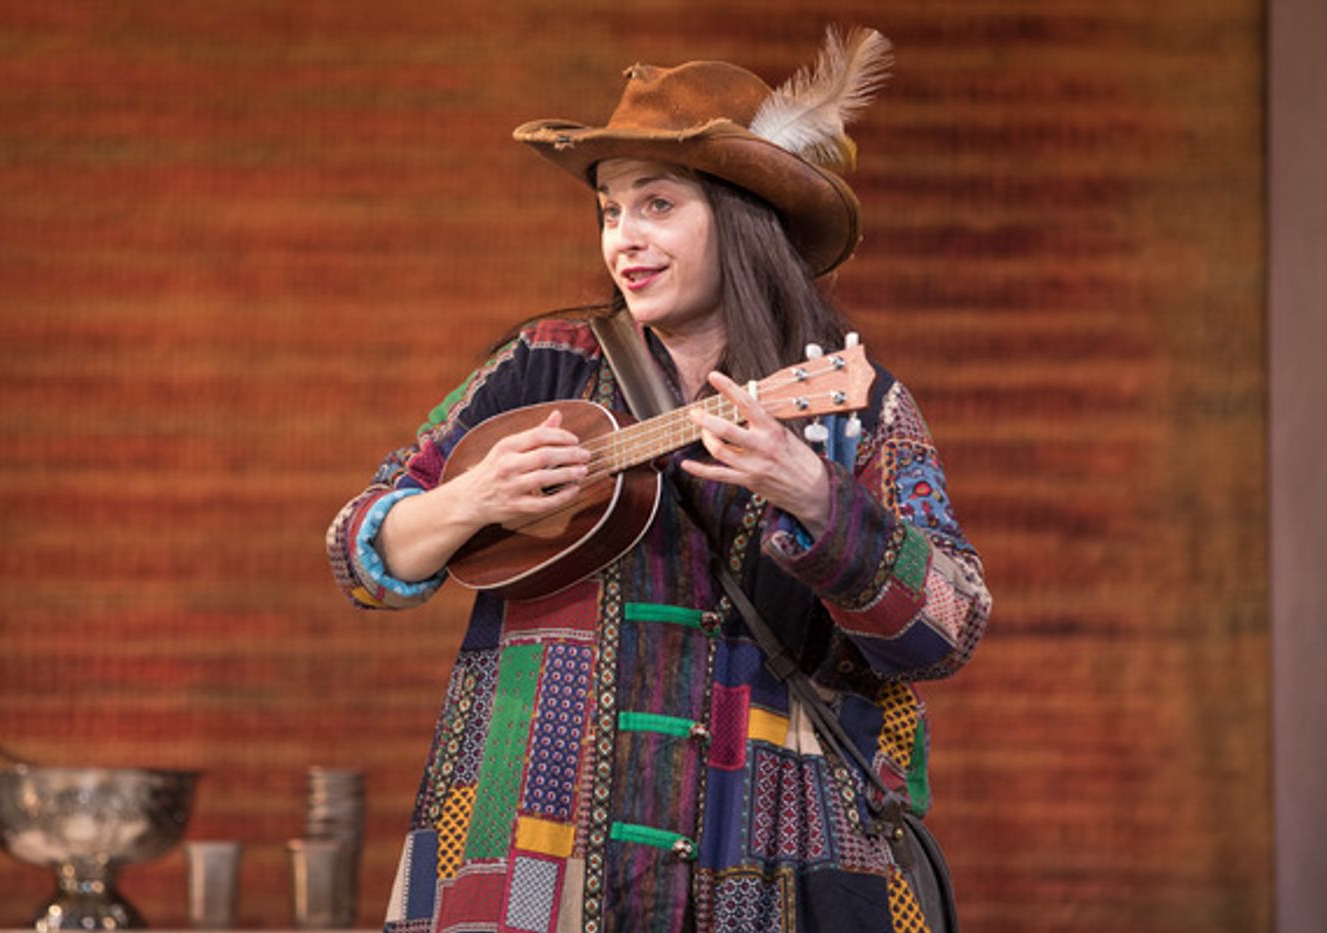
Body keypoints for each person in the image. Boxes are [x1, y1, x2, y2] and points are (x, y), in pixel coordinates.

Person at [327, 26, 990, 933]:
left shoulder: (849, 406)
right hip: (530, 840)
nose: (624, 240)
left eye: (658, 205)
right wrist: (468, 501)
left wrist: (818, 499)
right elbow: (361, 550)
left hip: (774, 853)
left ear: (744, 217)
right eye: (610, 210)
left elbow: (949, 628)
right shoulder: (542, 367)